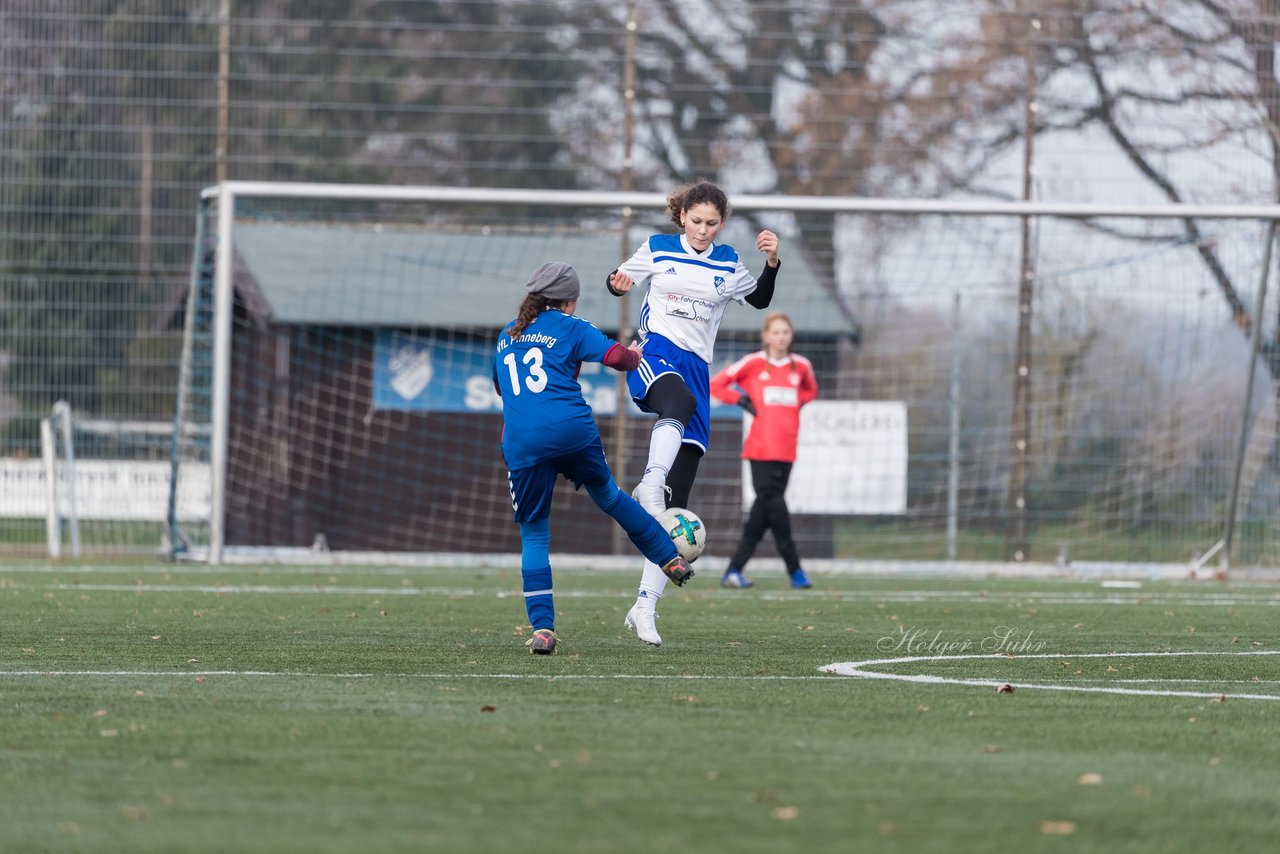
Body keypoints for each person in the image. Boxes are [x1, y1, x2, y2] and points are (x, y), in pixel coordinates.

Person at [606, 181, 780, 645]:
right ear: (681, 215)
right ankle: (649, 482)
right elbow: (617, 279)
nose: (703, 230)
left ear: (722, 224)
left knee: (674, 510)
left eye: (712, 223)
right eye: (696, 220)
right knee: (675, 404)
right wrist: (617, 282)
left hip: (697, 372)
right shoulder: (659, 249)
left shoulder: (726, 262)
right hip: (654, 353)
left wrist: (772, 263)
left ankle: (645, 606)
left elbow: (760, 299)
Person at [493, 261, 694, 655]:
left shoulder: (505, 336)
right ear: (569, 301)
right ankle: (669, 558)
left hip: (522, 442)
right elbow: (618, 358)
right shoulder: (572, 326)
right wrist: (636, 355)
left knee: (535, 533)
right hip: (572, 430)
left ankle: (543, 629)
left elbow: (502, 390)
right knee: (610, 497)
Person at [710, 312, 818, 589]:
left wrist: (792, 409)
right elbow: (716, 385)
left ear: (790, 336)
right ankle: (795, 569)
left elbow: (810, 392)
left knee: (762, 514)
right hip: (760, 449)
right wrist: (740, 399)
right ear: (766, 336)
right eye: (776, 332)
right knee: (774, 503)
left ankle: (733, 570)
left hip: (787, 448)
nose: (781, 337)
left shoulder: (801, 367)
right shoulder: (754, 363)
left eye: (785, 332)